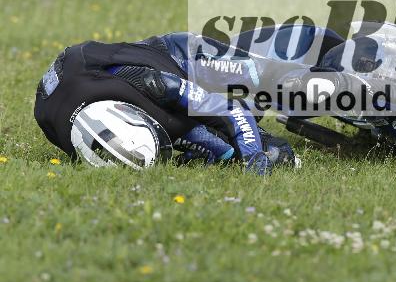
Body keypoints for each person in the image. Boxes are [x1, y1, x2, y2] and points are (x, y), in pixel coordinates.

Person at [34, 32, 298, 175]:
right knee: (273, 155)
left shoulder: (150, 82)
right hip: (166, 109)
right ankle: (258, 113)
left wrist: (252, 155)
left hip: (181, 60)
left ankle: (330, 78)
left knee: (274, 79)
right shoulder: (57, 127)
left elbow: (228, 111)